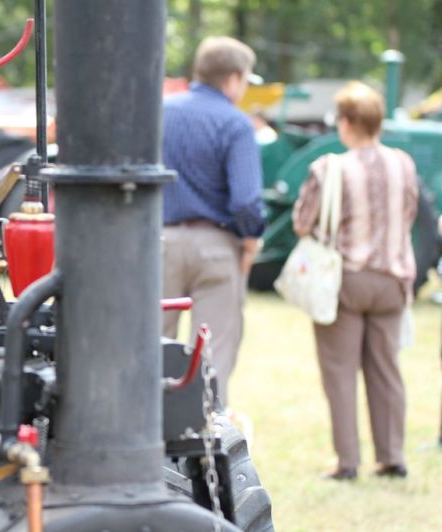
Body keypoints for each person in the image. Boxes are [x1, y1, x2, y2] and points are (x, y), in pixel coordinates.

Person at [293, 81, 417, 480]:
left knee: (340, 371)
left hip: (345, 280)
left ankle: (348, 462)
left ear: (346, 123)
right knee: (386, 370)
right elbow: (412, 212)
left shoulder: (330, 168)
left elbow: (301, 222)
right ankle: (392, 455)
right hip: (393, 281)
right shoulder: (404, 163)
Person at [161, 36, 266, 405]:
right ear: (234, 78)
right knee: (213, 351)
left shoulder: (159, 112)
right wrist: (252, 237)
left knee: (155, 344)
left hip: (159, 241)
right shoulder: (236, 125)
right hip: (217, 246)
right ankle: (206, 433)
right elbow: (246, 201)